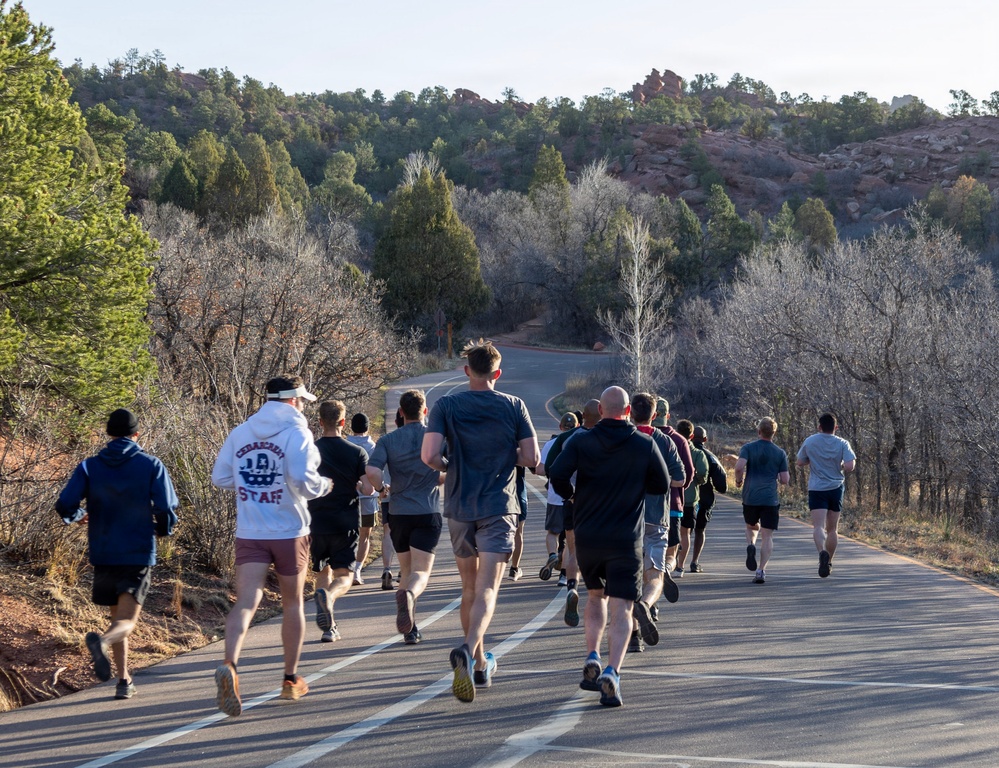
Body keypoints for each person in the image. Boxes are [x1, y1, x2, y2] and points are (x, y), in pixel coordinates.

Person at [421, 340, 539, 703]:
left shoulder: (446, 405)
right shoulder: (514, 405)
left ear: (466, 370)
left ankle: (478, 665)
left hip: (459, 505)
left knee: (468, 588)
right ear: (497, 373)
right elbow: (532, 456)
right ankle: (469, 649)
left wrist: (450, 466)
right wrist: (506, 456)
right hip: (498, 507)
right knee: (488, 590)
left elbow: (429, 455)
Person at [211, 375, 332, 716]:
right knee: (292, 603)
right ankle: (290, 679)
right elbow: (303, 481)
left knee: (247, 601)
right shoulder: (298, 433)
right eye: (303, 400)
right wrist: (324, 485)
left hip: (250, 528)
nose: (305, 406)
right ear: (293, 400)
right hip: (290, 530)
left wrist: (250, 485)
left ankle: (230, 666)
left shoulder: (241, 432)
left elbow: (220, 477)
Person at [549, 386, 671, 707]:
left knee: (594, 597)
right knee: (623, 608)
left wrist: (572, 495)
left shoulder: (581, 440)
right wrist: (634, 481)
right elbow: (661, 483)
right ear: (628, 411)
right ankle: (612, 672)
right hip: (624, 538)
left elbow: (556, 473)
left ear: (601, 410)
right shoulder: (645, 443)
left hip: (589, 535)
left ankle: (592, 653)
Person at [56, 408, 179, 701]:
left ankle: (124, 680)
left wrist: (78, 515)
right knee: (127, 622)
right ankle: (102, 642)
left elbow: (65, 504)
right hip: (136, 550)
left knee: (116, 616)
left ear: (109, 435)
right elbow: (166, 508)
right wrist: (163, 530)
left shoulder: (89, 466)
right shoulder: (151, 464)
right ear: (136, 435)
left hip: (103, 550)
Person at [366, 389, 444, 645]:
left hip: (399, 512)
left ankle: (411, 629)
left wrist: (380, 490)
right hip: (427, 510)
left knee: (406, 569)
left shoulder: (389, 440)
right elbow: (449, 468)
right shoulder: (436, 439)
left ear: (400, 412)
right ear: (425, 412)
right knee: (420, 573)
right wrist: (437, 478)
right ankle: (409, 595)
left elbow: (372, 470)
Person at [309, 401, 374, 642]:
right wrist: (359, 485)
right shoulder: (357, 452)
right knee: (344, 575)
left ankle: (329, 628)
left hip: (315, 520)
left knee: (322, 572)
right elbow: (367, 489)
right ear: (343, 422)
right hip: (345, 520)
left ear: (320, 422)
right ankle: (330, 598)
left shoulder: (311, 451)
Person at [628, 393, 685, 653]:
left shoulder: (623, 438)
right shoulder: (665, 441)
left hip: (626, 517)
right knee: (654, 576)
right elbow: (680, 479)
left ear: (630, 412)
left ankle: (633, 637)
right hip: (655, 516)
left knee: (629, 578)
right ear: (655, 415)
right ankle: (646, 605)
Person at [544, 399, 599, 627]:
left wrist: (569, 493)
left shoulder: (569, 438)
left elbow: (550, 469)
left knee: (573, 548)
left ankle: (571, 585)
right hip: (599, 503)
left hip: (573, 500)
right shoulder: (607, 438)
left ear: (582, 416)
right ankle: (599, 592)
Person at [796, 413, 857, 578]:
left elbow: (800, 462)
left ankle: (821, 552)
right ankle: (828, 561)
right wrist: (841, 465)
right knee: (832, 529)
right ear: (836, 427)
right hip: (836, 487)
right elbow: (850, 466)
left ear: (819, 427)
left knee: (818, 527)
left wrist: (812, 460)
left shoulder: (810, 441)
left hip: (817, 488)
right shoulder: (842, 443)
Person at [734, 417, 790, 584]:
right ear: (774, 433)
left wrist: (738, 481)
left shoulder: (748, 448)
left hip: (750, 497)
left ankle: (751, 544)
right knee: (767, 536)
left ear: (759, 431)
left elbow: (738, 467)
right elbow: (785, 479)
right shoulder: (780, 453)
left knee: (751, 526)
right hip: (770, 499)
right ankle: (761, 571)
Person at [652, 398, 694, 597]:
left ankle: (649, 593)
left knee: (647, 550)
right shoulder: (678, 439)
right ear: (667, 416)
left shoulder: (643, 436)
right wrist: (678, 487)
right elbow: (689, 473)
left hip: (645, 504)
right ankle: (668, 568)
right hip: (673, 504)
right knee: (671, 550)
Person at [347, 413, 391, 587]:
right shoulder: (373, 447)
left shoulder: (346, 445)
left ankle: (347, 569)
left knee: (349, 535)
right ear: (367, 427)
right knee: (365, 535)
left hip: (348, 497)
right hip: (369, 498)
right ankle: (357, 570)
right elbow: (378, 471)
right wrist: (381, 489)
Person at [677, 425, 728, 573]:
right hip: (704, 498)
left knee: (683, 531)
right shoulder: (709, 456)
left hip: (684, 496)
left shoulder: (677, 450)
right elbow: (721, 480)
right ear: (705, 439)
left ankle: (676, 561)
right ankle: (694, 562)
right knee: (700, 530)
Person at [538, 412, 578, 584]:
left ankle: (553, 555)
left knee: (552, 533)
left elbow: (540, 469)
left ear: (560, 427)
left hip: (555, 496)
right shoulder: (578, 441)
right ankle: (564, 575)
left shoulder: (551, 444)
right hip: (573, 496)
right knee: (570, 539)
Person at [674, 419, 708, 579]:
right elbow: (702, 473)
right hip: (690, 498)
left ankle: (669, 561)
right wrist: (697, 481)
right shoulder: (698, 454)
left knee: (670, 531)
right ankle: (680, 566)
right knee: (685, 532)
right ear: (692, 435)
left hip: (672, 497)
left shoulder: (671, 447)